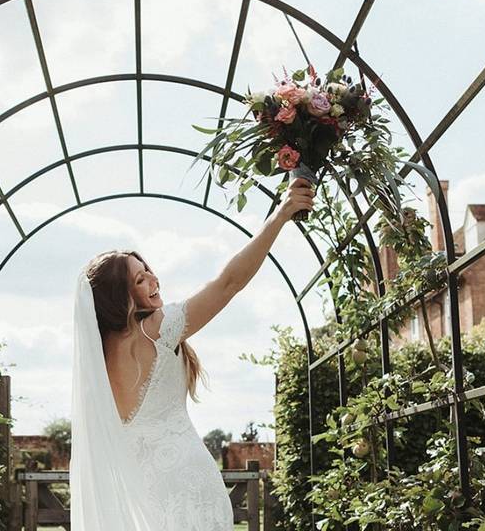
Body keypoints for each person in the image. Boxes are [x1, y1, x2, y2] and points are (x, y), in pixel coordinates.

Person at [69, 177, 315, 530]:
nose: (153, 280)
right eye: (139, 281)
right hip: (187, 484)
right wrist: (281, 214)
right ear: (117, 298)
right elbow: (228, 283)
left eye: (148, 271)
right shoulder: (153, 329)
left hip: (141, 494)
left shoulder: (93, 364)